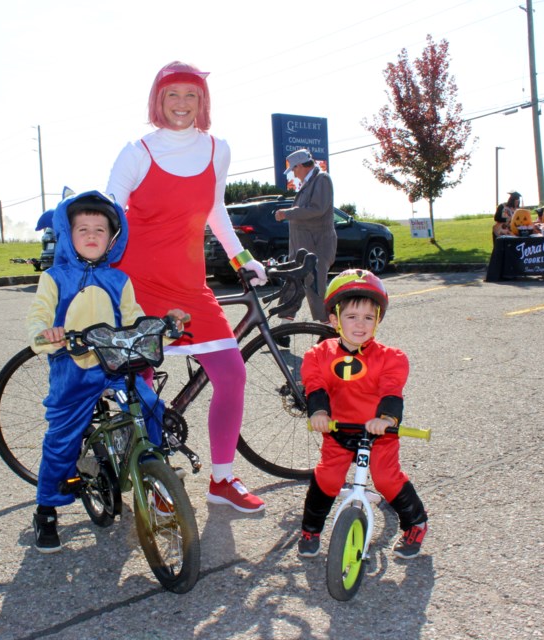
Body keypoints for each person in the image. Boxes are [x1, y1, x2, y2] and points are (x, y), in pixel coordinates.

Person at [106, 60, 269, 513]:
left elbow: (214, 210)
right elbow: (107, 215)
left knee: (232, 374)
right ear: (158, 100)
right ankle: (151, 477)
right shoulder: (136, 151)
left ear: (204, 101)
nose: (182, 104)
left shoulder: (218, 150)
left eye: (191, 95)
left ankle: (222, 479)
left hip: (188, 285)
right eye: (172, 95)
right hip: (135, 284)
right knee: (139, 385)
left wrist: (243, 258)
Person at [26, 190, 186, 553]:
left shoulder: (120, 280)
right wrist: (46, 333)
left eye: (100, 228)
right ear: (67, 234)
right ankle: (46, 508)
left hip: (117, 365)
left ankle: (154, 475)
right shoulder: (55, 278)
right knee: (63, 437)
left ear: (114, 237)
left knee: (150, 410)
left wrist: (161, 328)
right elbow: (38, 315)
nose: (92, 235)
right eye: (82, 228)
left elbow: (132, 320)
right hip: (74, 366)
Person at [295, 269, 429, 559]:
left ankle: (415, 522)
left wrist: (387, 419)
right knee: (327, 479)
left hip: (378, 432)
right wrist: (318, 412)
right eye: (352, 317)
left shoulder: (390, 358)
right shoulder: (318, 354)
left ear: (377, 320)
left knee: (386, 479)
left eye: (369, 318)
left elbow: (392, 391)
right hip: (338, 429)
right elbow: (315, 386)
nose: (360, 325)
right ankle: (310, 529)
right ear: (334, 320)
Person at [273, 149, 338, 323]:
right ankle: (284, 328)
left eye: (294, 169)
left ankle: (328, 329)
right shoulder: (310, 183)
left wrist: (288, 213)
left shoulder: (322, 179)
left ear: (301, 166)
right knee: (293, 281)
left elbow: (317, 209)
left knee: (315, 286)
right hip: (303, 245)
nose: (293, 174)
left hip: (317, 245)